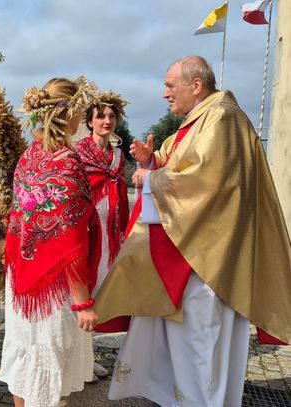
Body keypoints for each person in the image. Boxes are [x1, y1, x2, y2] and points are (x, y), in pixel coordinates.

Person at [95, 56, 291, 406]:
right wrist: (151, 160)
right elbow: (179, 163)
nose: (165, 93)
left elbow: (206, 180)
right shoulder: (200, 120)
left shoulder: (224, 118)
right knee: (180, 344)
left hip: (209, 264)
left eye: (171, 85)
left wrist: (151, 178)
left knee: (201, 346)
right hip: (190, 253)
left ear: (196, 85)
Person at [0, 77, 101, 407]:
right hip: (54, 286)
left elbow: (18, 220)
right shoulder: (66, 162)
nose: (82, 121)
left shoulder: (28, 156)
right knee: (47, 360)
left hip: (24, 278)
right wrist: (83, 302)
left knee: (25, 358)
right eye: (81, 112)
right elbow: (70, 239)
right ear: (68, 114)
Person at [75, 91, 130, 381]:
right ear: (89, 121)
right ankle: (79, 362)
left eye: (112, 116)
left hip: (110, 235)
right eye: (101, 116)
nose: (107, 121)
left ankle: (88, 358)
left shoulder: (118, 155)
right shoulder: (79, 153)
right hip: (86, 233)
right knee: (83, 294)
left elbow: (121, 194)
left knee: (98, 296)